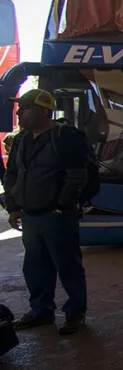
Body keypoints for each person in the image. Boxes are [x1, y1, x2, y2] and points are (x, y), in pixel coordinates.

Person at [3, 89, 90, 335]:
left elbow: (77, 176)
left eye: (26, 108)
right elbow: (12, 175)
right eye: (19, 108)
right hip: (30, 215)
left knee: (68, 266)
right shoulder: (21, 140)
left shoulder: (64, 137)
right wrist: (13, 206)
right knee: (34, 266)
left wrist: (62, 206)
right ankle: (41, 311)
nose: (19, 112)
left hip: (57, 216)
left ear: (44, 111)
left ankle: (75, 313)